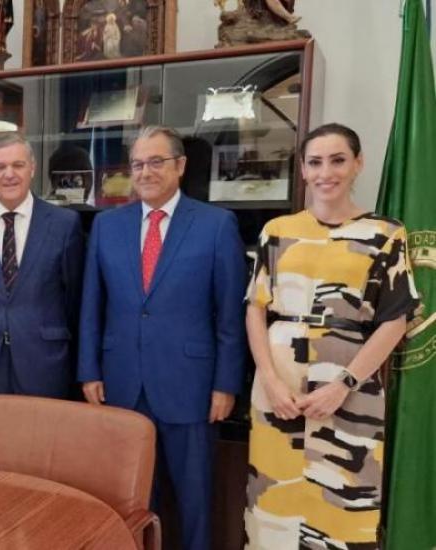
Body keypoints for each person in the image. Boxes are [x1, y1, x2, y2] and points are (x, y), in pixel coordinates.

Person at [243, 123, 420, 549]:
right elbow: (255, 308)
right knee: (273, 509)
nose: (327, 172)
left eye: (338, 160)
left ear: (358, 164)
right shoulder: (278, 230)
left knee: (344, 508)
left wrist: (343, 386)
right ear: (303, 170)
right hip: (278, 391)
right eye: (315, 162)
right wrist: (268, 377)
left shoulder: (385, 234)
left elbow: (395, 320)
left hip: (350, 395)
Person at [78, 126, 247, 550]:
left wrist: (226, 384)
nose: (145, 172)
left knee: (194, 501)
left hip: (190, 387)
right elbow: (91, 306)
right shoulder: (107, 226)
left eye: (156, 162)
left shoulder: (216, 224)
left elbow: (230, 315)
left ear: (180, 166)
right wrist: (89, 371)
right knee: (129, 500)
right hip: (121, 383)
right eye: (137, 164)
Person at [0, 134, 85, 400]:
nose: (8, 174)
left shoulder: (64, 224)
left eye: (18, 165)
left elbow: (74, 298)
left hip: (44, 359)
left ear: (32, 168)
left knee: (41, 440)